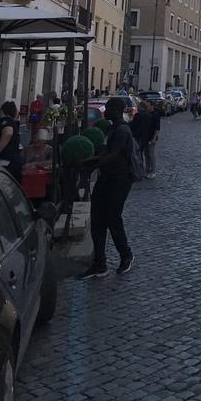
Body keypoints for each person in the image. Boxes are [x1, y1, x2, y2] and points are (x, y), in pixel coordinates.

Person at [79, 98, 134, 279]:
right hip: (105, 178)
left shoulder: (123, 131)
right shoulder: (110, 129)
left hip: (119, 180)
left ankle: (126, 255)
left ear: (117, 110)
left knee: (113, 218)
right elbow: (103, 152)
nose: (106, 110)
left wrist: (88, 164)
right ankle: (99, 263)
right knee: (97, 220)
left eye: (109, 107)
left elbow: (112, 156)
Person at [0, 101, 22, 182]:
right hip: (13, 160)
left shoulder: (5, 121)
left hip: (7, 160)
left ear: (2, 111)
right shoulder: (11, 122)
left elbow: (8, 133)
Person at [130, 101, 152, 166]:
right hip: (145, 137)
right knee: (143, 153)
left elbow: (133, 125)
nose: (137, 107)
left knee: (138, 153)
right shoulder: (149, 115)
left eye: (139, 106)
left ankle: (140, 167)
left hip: (138, 136)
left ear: (142, 107)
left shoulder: (138, 115)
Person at [145, 99, 160, 178]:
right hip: (145, 137)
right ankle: (147, 170)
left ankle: (153, 171)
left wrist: (154, 138)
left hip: (152, 137)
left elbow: (157, 128)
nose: (146, 107)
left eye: (148, 106)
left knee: (151, 154)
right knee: (146, 154)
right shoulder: (146, 114)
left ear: (152, 106)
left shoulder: (155, 115)